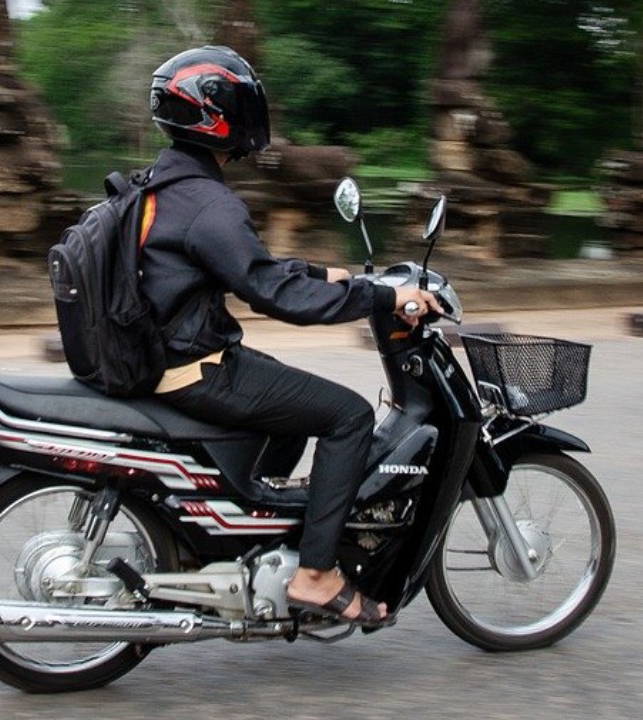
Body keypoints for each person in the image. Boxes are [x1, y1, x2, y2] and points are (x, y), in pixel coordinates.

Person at [138, 45, 442, 625]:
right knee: (347, 415)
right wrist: (381, 295)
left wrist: (315, 272)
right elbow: (273, 295)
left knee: (290, 415)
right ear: (219, 115)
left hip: (168, 353)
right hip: (192, 367)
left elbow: (244, 266)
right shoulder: (209, 201)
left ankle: (261, 536)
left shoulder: (167, 182)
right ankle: (316, 574)